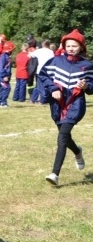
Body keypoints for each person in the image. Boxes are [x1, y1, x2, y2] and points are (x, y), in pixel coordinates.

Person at [39, 30, 93, 186]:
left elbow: (92, 86)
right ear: (64, 46)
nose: (71, 48)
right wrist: (53, 89)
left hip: (75, 105)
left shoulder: (87, 65)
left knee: (62, 137)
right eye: (68, 45)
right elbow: (43, 75)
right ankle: (77, 151)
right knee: (65, 136)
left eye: (74, 46)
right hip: (57, 104)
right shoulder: (56, 61)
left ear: (81, 47)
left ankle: (55, 173)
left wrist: (87, 85)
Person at [30, 39, 55, 104]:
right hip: (48, 70)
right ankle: (42, 100)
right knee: (45, 86)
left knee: (38, 85)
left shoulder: (38, 51)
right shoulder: (50, 52)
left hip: (39, 70)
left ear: (42, 44)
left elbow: (31, 55)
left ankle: (33, 99)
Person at [0, 41, 15, 108]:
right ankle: (3, 103)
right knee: (7, 88)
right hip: (2, 76)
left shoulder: (7, 56)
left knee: (2, 89)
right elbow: (1, 67)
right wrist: (4, 76)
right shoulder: (3, 57)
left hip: (3, 76)